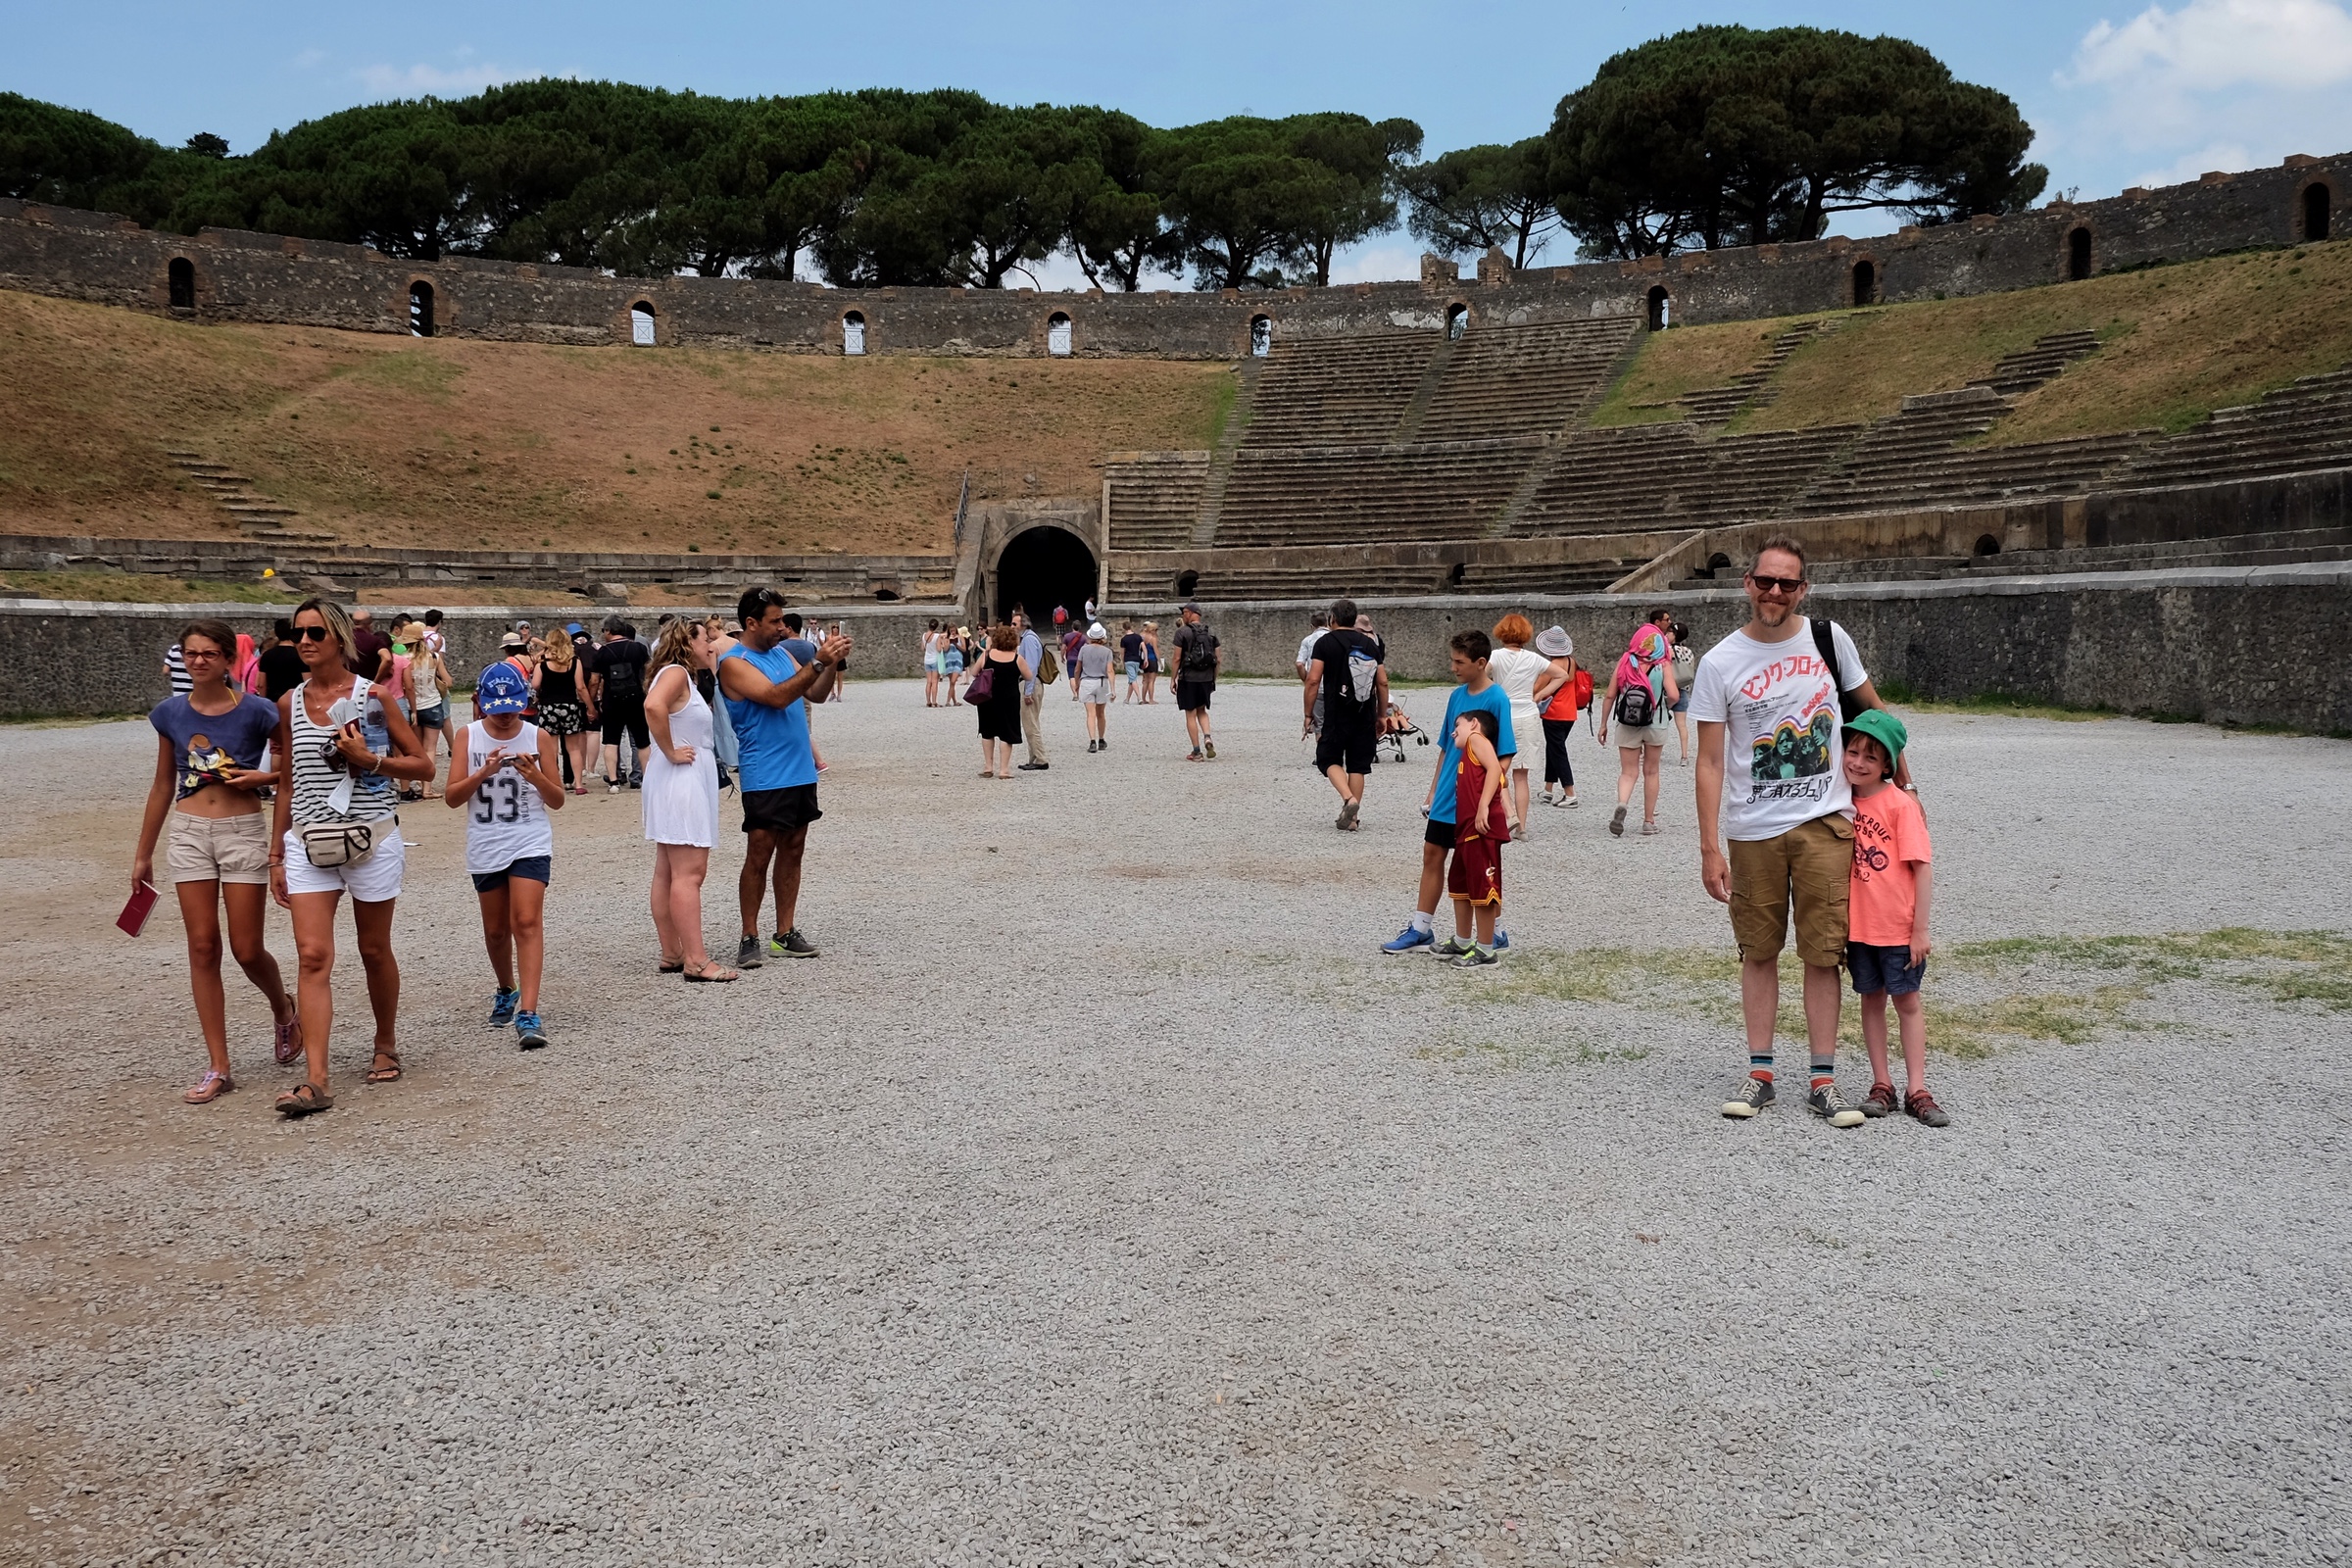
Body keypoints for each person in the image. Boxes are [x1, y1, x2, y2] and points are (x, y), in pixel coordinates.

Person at [1692, 535, 1905, 1129]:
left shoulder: (1829, 640)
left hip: (1825, 824)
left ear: (1802, 589)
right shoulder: (1719, 662)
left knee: (1822, 954)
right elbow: (1710, 763)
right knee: (1758, 951)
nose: (1776, 592)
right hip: (1753, 830)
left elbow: (1877, 717)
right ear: (1748, 584)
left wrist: (1902, 791)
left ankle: (1822, 1080)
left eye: (1788, 583)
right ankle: (1760, 1073)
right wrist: (1710, 846)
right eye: (1766, 581)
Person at [268, 598, 433, 1117]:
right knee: (313, 956)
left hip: (372, 839)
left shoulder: (375, 697)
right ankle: (317, 1079)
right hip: (309, 841)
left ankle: (385, 1041)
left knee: (374, 949)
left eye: (316, 632)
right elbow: (288, 782)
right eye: (299, 634)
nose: (306, 641)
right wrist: (276, 852)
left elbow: (424, 767)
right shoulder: (286, 704)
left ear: (339, 638)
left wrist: (372, 760)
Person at [133, 619, 300, 1104]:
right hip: (189, 834)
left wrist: (262, 785)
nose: (199, 661)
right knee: (203, 948)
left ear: (230, 660)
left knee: (246, 948)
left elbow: (290, 771)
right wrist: (142, 854)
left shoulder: (260, 711)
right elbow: (163, 783)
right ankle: (219, 1066)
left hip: (241, 831)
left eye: (209, 653)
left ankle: (284, 1008)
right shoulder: (169, 713)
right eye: (191, 653)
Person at [718, 587, 851, 969]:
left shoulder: (782, 654)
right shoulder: (734, 662)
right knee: (759, 853)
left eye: (781, 620)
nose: (781, 627)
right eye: (774, 621)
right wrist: (817, 662)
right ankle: (749, 934)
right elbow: (776, 697)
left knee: (794, 848)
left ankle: (784, 931)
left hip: (798, 768)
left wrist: (832, 664)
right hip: (766, 771)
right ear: (751, 623)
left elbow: (816, 694)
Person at [445, 662, 564, 1049]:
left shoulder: (538, 736)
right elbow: (451, 797)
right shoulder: (468, 736)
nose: (506, 715)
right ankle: (505, 987)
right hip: (485, 840)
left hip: (529, 838)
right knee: (496, 930)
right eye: (497, 708)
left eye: (513, 706)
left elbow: (558, 800)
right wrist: (485, 771)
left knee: (526, 921)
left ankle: (529, 1011)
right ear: (480, 703)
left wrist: (535, 776)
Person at [1840, 710, 1945, 1126]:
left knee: (1907, 1002)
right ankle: (1881, 1083)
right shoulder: (1839, 801)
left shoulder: (1901, 806)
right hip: (1860, 928)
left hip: (1898, 928)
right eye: (1852, 751)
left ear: (1888, 764)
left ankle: (1917, 1087)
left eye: (1871, 756)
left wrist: (1919, 928)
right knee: (1871, 1000)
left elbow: (1922, 867)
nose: (1858, 762)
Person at [1384, 631, 1516, 955]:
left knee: (1477, 864)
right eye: (1452, 659)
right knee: (1432, 854)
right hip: (1448, 793)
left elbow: (1505, 755)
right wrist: (1433, 792)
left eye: (1460, 661)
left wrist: (1488, 798)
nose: (1453, 666)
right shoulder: (1456, 696)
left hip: (1473, 797)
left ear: (1481, 663)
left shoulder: (1497, 699)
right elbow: (1445, 748)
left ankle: (1494, 934)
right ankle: (1420, 928)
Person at [641, 617, 734, 982]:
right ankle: (696, 959)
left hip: (674, 776)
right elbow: (653, 707)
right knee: (689, 872)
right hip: (683, 776)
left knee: (667, 869)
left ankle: (673, 951)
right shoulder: (676, 672)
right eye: (705, 640)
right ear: (686, 642)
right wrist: (670, 750)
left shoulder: (677, 674)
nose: (711, 645)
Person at [1303, 598, 1386, 830]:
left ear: (1333, 619)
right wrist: (1381, 715)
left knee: (1327, 758)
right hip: (1364, 711)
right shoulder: (1370, 644)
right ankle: (1352, 820)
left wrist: (1308, 714)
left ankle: (1349, 800)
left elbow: (1312, 680)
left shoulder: (1325, 643)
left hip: (1336, 712)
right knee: (1358, 765)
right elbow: (1383, 683)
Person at [1444, 710, 1516, 967]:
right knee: (1460, 883)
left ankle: (1486, 949)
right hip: (1465, 830)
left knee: (1483, 886)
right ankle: (1463, 940)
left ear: (1474, 724)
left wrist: (1483, 805)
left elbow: (1496, 768)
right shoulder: (1467, 752)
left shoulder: (1476, 740)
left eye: (1458, 725)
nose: (1453, 731)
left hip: (1481, 829)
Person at [1597, 622, 1681, 838]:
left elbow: (1609, 695)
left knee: (1628, 771)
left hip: (1627, 722)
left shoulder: (1626, 661)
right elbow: (1674, 695)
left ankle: (1623, 803)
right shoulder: (1663, 665)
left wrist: (1604, 724)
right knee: (1651, 771)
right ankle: (1648, 821)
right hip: (1656, 722)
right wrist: (1663, 705)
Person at [1486, 614, 1549, 837]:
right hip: (1527, 715)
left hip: (1503, 715)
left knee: (1496, 769)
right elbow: (1561, 675)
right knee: (1521, 776)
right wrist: (1540, 694)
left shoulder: (1495, 656)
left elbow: (1482, 675)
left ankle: (1507, 813)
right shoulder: (1534, 658)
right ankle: (1521, 827)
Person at [590, 616, 650, 793]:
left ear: (608, 631)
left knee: (611, 741)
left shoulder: (602, 652)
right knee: (642, 742)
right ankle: (646, 778)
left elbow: (594, 680)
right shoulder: (638, 648)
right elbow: (649, 672)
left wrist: (592, 703)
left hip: (612, 700)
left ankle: (614, 782)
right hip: (636, 698)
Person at [1530, 626, 1583, 808]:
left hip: (1554, 712)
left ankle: (1570, 794)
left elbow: (1537, 687)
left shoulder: (1552, 666)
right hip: (1569, 712)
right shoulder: (1571, 661)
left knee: (1558, 751)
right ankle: (1548, 789)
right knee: (1554, 749)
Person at [535, 634, 593, 795]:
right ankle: (578, 784)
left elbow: (535, 684)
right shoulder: (575, 662)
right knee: (573, 748)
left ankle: (555, 782)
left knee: (551, 749)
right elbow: (580, 687)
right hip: (570, 706)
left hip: (548, 707)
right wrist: (590, 708)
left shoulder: (543, 664)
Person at [401, 619, 452, 784]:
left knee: (418, 749)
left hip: (412, 707)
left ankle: (416, 781)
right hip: (433, 704)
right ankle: (427, 788)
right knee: (431, 748)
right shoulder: (434, 657)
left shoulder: (403, 660)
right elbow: (448, 681)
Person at [974, 623, 1027, 778]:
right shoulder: (1017, 658)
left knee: (987, 731)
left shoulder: (987, 655)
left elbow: (973, 672)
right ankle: (1004, 770)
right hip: (1009, 698)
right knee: (1007, 733)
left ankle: (988, 767)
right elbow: (1029, 675)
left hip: (987, 697)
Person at [1171, 602, 1220, 760]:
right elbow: (1218, 659)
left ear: (1192, 613)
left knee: (1190, 714)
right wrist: (1214, 678)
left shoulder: (1182, 632)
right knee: (1202, 710)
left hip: (1188, 678)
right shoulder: (1211, 632)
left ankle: (1197, 751)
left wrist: (1173, 678)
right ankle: (1207, 736)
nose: (1182, 615)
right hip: (1206, 677)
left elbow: (1177, 658)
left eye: (1184, 612)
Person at [1013, 610, 1051, 771]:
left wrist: (1027, 691)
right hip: (1033, 683)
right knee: (1031, 722)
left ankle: (1041, 758)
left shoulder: (1028, 640)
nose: (1012, 626)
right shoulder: (1030, 638)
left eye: (1015, 623)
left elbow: (1031, 667)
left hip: (1031, 684)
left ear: (1023, 624)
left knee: (1030, 724)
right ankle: (1034, 757)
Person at [1078, 622, 1116, 752]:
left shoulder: (1084, 649)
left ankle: (1092, 741)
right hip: (1101, 682)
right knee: (1101, 713)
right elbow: (1110, 671)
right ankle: (1101, 739)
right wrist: (1113, 689)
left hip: (1087, 681)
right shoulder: (1107, 652)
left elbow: (1078, 668)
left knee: (1090, 713)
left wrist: (1077, 683)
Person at [1296, 610, 1331, 736]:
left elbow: (1299, 664)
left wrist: (1307, 679)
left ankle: (1323, 754)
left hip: (1317, 687)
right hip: (1335, 687)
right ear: (1327, 623)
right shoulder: (1334, 638)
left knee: (1319, 726)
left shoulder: (1308, 640)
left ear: (1312, 626)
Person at [1669, 619, 1697, 765]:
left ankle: (1644, 753)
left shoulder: (1668, 650)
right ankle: (1684, 756)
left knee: (1653, 721)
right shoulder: (1688, 651)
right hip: (1683, 690)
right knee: (1682, 725)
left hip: (1667, 690)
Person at [257, 618, 306, 701]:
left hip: (273, 701)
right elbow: (307, 681)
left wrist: (263, 701)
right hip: (295, 702)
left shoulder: (267, 655)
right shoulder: (300, 655)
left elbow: (261, 684)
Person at [348, 608, 391, 681]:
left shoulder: (341, 639)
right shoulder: (375, 641)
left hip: (342, 685)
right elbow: (387, 659)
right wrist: (376, 681)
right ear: (370, 625)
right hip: (365, 686)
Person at [1061, 618, 1088, 702]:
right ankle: (1079, 692)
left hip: (1070, 658)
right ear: (1079, 627)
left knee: (1072, 677)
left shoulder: (1067, 636)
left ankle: (1075, 694)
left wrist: (1062, 657)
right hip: (1080, 659)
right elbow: (1085, 649)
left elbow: (1063, 648)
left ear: (1072, 627)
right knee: (1078, 677)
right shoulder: (1083, 638)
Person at [1120, 622, 1145, 704]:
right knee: (1132, 679)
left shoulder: (1124, 639)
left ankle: (1139, 697)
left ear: (1124, 628)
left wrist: (1122, 661)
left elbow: (1122, 652)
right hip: (1136, 660)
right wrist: (1146, 658)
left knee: (1133, 679)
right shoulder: (1138, 637)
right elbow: (1144, 648)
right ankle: (1127, 699)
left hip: (1128, 659)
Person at [942, 626, 966, 705]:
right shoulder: (947, 638)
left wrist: (956, 644)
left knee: (953, 681)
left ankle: (948, 701)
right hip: (949, 660)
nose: (953, 632)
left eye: (954, 630)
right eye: (951, 630)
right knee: (951, 683)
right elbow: (945, 649)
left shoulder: (960, 637)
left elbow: (964, 649)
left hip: (958, 659)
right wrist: (949, 641)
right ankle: (954, 701)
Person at [1140, 621, 1162, 704]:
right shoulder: (1153, 639)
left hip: (1145, 659)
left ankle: (1143, 698)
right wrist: (1160, 661)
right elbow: (1156, 651)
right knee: (1151, 681)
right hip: (1152, 659)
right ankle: (1151, 699)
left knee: (1145, 680)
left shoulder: (1144, 637)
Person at [923, 619, 943, 708]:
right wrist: (942, 645)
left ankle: (928, 701)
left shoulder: (924, 636)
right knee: (934, 682)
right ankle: (934, 702)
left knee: (928, 682)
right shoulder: (937, 636)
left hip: (927, 659)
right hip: (935, 660)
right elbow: (938, 649)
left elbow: (922, 648)